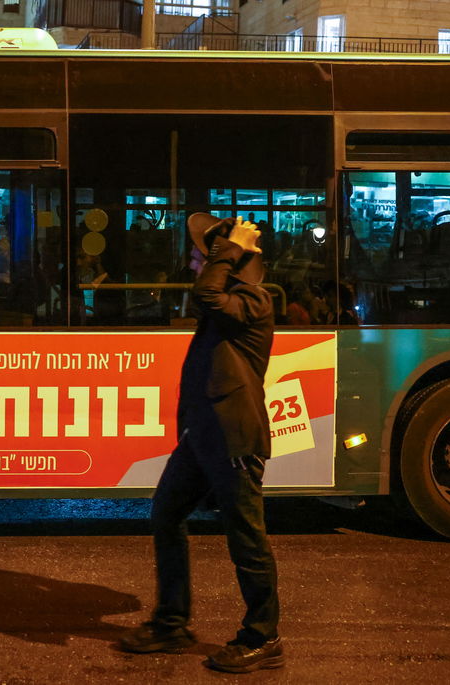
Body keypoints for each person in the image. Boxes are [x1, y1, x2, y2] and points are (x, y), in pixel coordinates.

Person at [119, 214, 283, 673]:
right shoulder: (229, 302)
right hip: (203, 435)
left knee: (246, 538)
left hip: (233, 438)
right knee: (166, 512)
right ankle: (171, 623)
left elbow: (206, 294)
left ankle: (263, 636)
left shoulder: (253, 300)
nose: (195, 262)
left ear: (231, 260)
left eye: (201, 256)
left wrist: (226, 251)